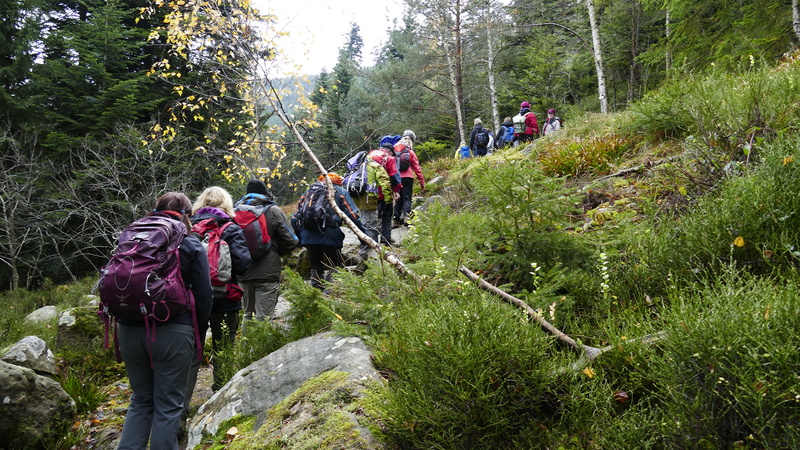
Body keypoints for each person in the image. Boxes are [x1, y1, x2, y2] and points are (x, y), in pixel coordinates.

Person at [116, 192, 212, 450]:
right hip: (172, 329)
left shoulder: (133, 238)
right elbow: (204, 295)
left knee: (141, 399)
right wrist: (197, 335)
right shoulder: (189, 243)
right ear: (187, 215)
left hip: (128, 328)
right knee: (169, 405)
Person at [186, 186, 251, 394]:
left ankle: (181, 402)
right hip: (225, 296)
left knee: (192, 349)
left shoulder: (188, 227)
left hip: (192, 299)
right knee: (223, 346)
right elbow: (243, 263)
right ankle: (221, 393)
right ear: (226, 204)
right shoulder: (230, 228)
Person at [234, 180, 298, 324]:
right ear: (264, 193)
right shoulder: (272, 210)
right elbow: (291, 240)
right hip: (267, 272)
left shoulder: (234, 211)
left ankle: (245, 345)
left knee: (247, 314)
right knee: (264, 317)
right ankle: (262, 347)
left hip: (243, 271)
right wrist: (275, 252)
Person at [291, 173, 366, 289]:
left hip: (308, 235)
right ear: (338, 182)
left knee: (316, 267)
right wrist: (364, 238)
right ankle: (330, 294)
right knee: (335, 266)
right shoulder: (339, 191)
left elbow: (294, 218)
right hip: (330, 235)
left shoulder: (309, 193)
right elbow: (352, 216)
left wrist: (301, 239)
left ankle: (316, 297)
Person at [352, 150, 395, 259]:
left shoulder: (357, 166)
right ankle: (370, 248)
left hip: (357, 197)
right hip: (369, 197)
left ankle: (366, 244)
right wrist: (388, 201)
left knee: (364, 220)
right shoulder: (375, 166)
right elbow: (385, 184)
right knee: (371, 223)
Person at [368, 145, 402, 245]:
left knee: (372, 217)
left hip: (369, 192)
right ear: (390, 151)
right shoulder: (389, 158)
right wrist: (396, 190)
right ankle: (385, 239)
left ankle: (372, 240)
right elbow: (394, 175)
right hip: (384, 192)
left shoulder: (370, 155)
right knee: (387, 215)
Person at [392, 130, 425, 227]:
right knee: (407, 198)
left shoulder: (394, 151)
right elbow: (417, 168)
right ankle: (407, 218)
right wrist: (422, 182)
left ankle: (396, 220)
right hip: (408, 178)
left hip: (396, 178)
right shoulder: (410, 152)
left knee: (398, 199)